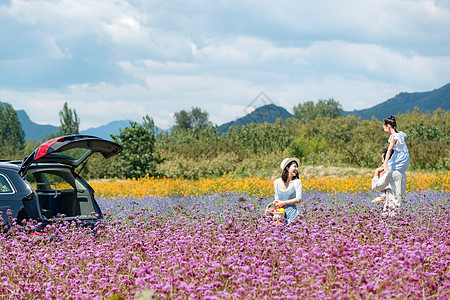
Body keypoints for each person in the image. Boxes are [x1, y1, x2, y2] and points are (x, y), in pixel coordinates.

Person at [272, 157, 302, 224]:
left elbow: (298, 199)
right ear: (287, 168)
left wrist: (283, 203)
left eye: (297, 167)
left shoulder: (297, 182)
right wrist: (276, 201)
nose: (296, 169)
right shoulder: (276, 182)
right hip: (280, 214)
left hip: (292, 215)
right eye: (294, 166)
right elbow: (277, 197)